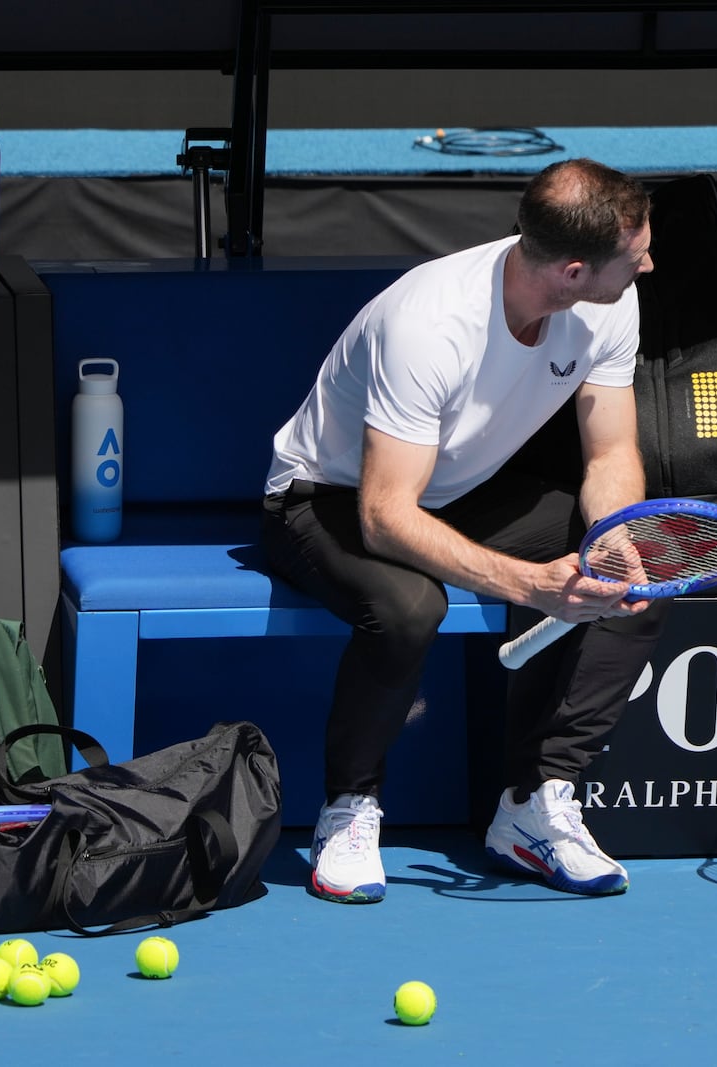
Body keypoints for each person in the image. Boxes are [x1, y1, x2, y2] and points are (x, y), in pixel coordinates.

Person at [261, 158, 664, 904]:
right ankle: (349, 808)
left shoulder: (609, 303)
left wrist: (612, 534)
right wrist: (529, 583)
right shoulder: (430, 323)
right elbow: (385, 515)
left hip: (451, 494)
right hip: (324, 499)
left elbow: (609, 452)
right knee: (410, 607)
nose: (649, 262)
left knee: (639, 571)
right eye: (636, 255)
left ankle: (536, 802)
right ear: (573, 270)